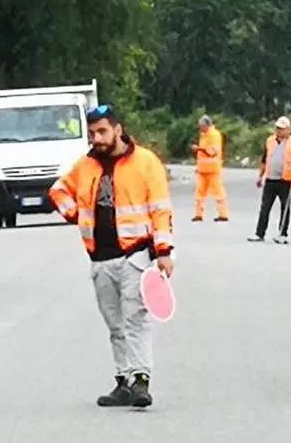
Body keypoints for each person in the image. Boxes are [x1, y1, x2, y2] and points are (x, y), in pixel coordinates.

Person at [48, 104, 174, 409]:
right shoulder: (86, 165)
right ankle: (123, 381)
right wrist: (76, 214)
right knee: (115, 324)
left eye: (103, 131)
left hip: (135, 254)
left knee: (135, 318)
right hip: (100, 258)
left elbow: (160, 209)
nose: (97, 139)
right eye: (92, 133)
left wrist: (164, 252)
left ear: (118, 129)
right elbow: (57, 191)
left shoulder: (145, 162)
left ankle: (141, 380)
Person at [248, 115, 291, 244]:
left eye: (282, 128)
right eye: (277, 128)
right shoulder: (270, 141)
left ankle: (283, 234)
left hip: (286, 180)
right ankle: (259, 233)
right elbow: (264, 160)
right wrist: (260, 176)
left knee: (285, 208)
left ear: (288, 129)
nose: (279, 131)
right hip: (271, 178)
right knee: (265, 207)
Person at [189, 115, 229, 222]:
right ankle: (198, 215)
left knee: (218, 192)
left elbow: (212, 151)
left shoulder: (214, 135)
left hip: (213, 169)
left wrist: (198, 148)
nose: (200, 127)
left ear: (208, 124)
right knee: (199, 193)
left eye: (202, 125)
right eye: (200, 125)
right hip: (202, 169)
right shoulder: (203, 135)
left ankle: (223, 214)